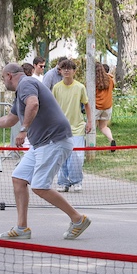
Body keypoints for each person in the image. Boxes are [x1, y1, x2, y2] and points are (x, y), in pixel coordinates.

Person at [0, 63, 91, 241]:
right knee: (19, 179)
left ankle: (77, 219)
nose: (4, 82)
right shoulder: (22, 91)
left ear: (9, 76)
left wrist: (24, 130)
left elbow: (33, 104)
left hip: (53, 141)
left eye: (3, 78)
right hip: (41, 144)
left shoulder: (26, 84)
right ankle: (22, 228)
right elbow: (10, 120)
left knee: (40, 186)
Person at [51, 59, 91, 192]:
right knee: (62, 155)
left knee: (77, 156)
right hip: (61, 128)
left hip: (78, 127)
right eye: (64, 68)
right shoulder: (56, 88)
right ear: (60, 71)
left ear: (74, 71)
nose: (67, 70)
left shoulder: (80, 87)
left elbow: (86, 104)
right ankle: (63, 182)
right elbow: (52, 108)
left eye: (69, 68)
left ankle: (77, 181)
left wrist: (89, 122)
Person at [94, 62, 116, 149]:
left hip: (96, 107)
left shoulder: (93, 81)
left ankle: (92, 146)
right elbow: (113, 86)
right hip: (107, 106)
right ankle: (111, 139)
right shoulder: (110, 80)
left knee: (92, 128)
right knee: (103, 127)